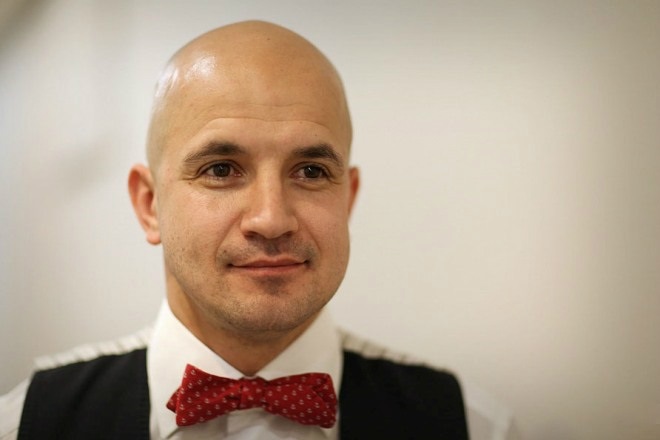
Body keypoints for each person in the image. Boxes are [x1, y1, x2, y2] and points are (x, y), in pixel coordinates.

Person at [0, 20, 468, 439]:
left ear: (347, 198)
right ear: (149, 205)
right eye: (221, 169)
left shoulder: (476, 427)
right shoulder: (23, 426)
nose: (271, 219)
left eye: (310, 171)